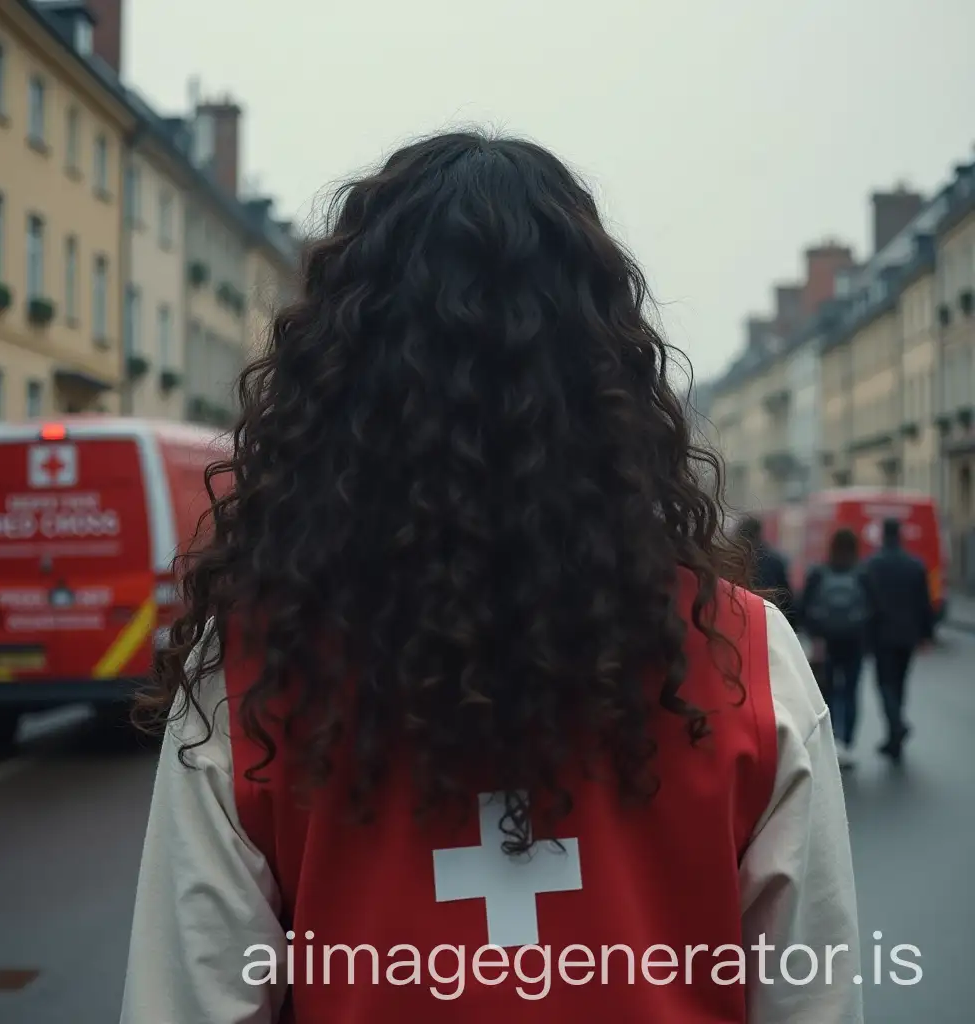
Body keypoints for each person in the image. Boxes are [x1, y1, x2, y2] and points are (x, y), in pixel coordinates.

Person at [120, 132, 862, 1023]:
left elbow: (189, 1002)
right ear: (610, 382)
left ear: (336, 384)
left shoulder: (247, 673)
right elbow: (812, 1003)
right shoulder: (746, 659)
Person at [862, 517, 934, 763]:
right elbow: (924, 603)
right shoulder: (915, 565)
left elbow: (866, 603)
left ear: (882, 534)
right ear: (900, 535)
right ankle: (894, 739)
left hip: (882, 635)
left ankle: (897, 726)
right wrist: (926, 634)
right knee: (900, 685)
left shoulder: (872, 565)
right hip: (908, 635)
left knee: (884, 685)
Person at [800, 528, 870, 770]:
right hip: (854, 643)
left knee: (826, 694)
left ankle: (829, 743)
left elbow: (804, 606)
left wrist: (814, 636)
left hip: (825, 643)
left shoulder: (819, 573)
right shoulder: (862, 573)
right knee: (850, 692)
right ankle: (847, 743)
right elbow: (872, 609)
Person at [737, 516, 797, 630]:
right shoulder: (774, 560)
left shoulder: (731, 560)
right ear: (760, 533)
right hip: (768, 618)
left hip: (739, 618)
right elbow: (785, 594)